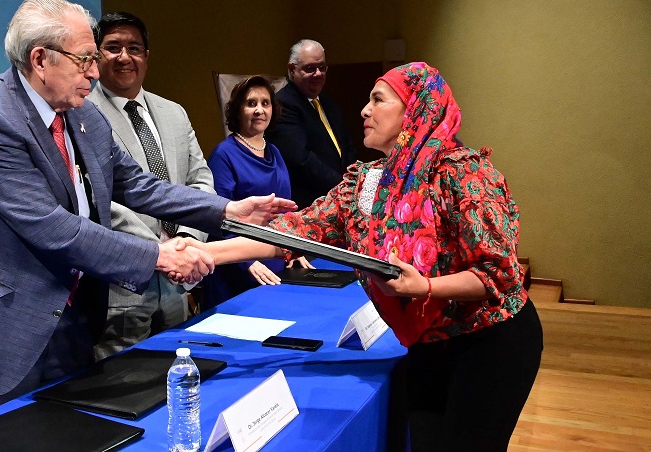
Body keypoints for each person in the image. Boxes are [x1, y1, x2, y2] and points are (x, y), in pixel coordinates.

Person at [0, 0, 296, 431]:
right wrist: (160, 255)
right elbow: (53, 228)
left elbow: (138, 185)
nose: (95, 72)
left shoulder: (84, 116)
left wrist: (227, 207)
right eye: (84, 60)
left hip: (71, 326)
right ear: (40, 58)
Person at [182, 62, 543, 451]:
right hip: (427, 344)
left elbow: (497, 274)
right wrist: (204, 252)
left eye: (378, 100)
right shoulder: (366, 180)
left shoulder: (462, 172)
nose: (364, 110)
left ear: (415, 110)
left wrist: (426, 286)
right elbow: (292, 233)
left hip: (489, 341)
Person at [87, 12, 215, 358]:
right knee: (123, 385)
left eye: (134, 47)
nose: (125, 57)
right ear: (96, 55)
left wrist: (185, 242)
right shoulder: (80, 114)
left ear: (146, 55)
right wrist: (159, 251)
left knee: (177, 371)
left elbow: (200, 180)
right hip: (122, 284)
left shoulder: (174, 112)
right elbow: (97, 199)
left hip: (178, 279)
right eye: (113, 47)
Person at [203, 76, 311, 308]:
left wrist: (293, 249)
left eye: (265, 103)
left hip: (275, 263)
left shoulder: (275, 151)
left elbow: (285, 211)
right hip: (238, 268)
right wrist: (247, 262)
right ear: (238, 110)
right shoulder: (224, 155)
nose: (259, 110)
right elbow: (219, 219)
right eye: (251, 103)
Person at [266, 39, 357, 208]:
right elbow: (302, 160)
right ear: (292, 69)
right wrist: (343, 188)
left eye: (322, 67)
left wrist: (352, 182)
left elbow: (348, 148)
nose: (318, 74)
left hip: (339, 199)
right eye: (310, 68)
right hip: (309, 203)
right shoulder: (283, 104)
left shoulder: (329, 103)